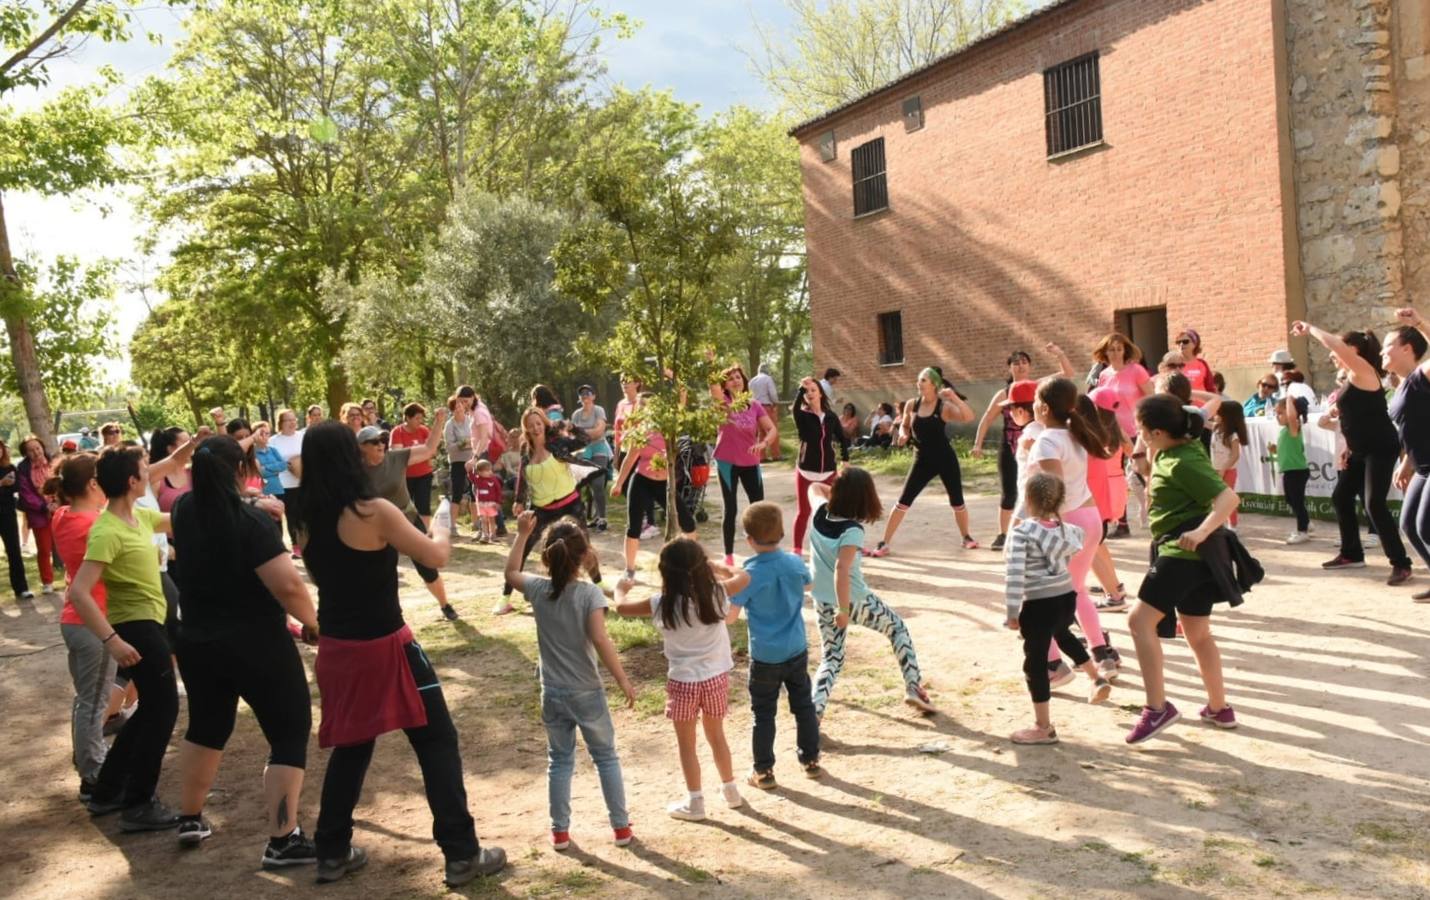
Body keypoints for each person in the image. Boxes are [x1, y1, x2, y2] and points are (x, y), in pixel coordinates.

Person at [298, 422, 505, 886]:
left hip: (337, 648)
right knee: (436, 742)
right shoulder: (374, 512)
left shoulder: (305, 517)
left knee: (352, 747)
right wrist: (446, 521)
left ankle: (330, 851)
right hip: (386, 646)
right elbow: (436, 556)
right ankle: (461, 853)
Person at [169, 436, 322, 864]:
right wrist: (313, 624)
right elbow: (288, 585)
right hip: (256, 644)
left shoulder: (183, 509)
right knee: (289, 731)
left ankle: (190, 817)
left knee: (206, 727)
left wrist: (254, 505)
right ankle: (283, 837)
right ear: (240, 470)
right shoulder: (250, 525)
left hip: (198, 641)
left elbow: (216, 512)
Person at [66, 444, 182, 831]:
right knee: (163, 709)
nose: (149, 470)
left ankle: (108, 791)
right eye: (145, 467)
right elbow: (79, 592)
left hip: (151, 622)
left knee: (152, 708)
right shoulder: (107, 529)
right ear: (133, 481)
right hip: (135, 628)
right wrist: (112, 640)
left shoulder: (139, 517)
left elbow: (178, 517)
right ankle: (138, 803)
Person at [504, 512, 635, 850]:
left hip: (553, 690)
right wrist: (622, 680)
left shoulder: (537, 588)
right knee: (605, 757)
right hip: (587, 691)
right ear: (584, 555)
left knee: (559, 761)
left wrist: (521, 535)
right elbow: (601, 640)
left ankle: (559, 832)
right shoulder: (590, 595)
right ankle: (621, 829)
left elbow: (510, 573)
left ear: (547, 556)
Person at [1126, 394, 1247, 744]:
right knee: (1197, 633)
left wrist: (1200, 530)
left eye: (1143, 430)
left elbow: (1228, 499)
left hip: (1183, 553)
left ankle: (1157, 708)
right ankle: (1219, 707)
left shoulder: (1182, 461)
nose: (1140, 436)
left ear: (1159, 432)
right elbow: (1212, 406)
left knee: (1137, 621)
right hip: (1193, 557)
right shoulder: (1180, 438)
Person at [612, 538, 743, 821]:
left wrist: (619, 590)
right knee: (716, 735)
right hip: (716, 677)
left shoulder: (661, 603)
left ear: (665, 572)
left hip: (683, 681)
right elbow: (743, 577)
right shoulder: (718, 593)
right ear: (702, 568)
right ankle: (730, 790)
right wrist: (716, 567)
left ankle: (696, 802)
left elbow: (621, 608)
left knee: (687, 744)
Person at [1290, 321, 1412, 586]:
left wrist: (1309, 328)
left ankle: (1401, 563)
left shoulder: (1363, 370)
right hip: (1360, 450)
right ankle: (1351, 553)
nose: (1332, 355)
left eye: (1339, 350)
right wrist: (1349, 445)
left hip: (1380, 447)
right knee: (1342, 496)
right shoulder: (1353, 377)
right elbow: (1355, 414)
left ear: (1352, 349)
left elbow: (1332, 343)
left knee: (1374, 504)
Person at [806, 467, 934, 717]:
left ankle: (814, 712)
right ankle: (913, 688)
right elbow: (841, 570)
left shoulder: (819, 512)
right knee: (896, 628)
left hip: (822, 600)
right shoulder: (852, 530)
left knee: (831, 658)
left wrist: (839, 492)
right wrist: (844, 610)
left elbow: (814, 487)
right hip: (854, 600)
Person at [1005, 472, 1113, 745]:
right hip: (1066, 599)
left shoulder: (1022, 534)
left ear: (1027, 501)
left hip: (1039, 604)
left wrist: (1012, 612)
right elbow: (1073, 546)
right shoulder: (1070, 531)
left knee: (1035, 663)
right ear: (1061, 502)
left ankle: (1043, 727)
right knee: (1063, 635)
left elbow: (1015, 574)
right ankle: (1096, 678)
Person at [48, 453, 130, 800]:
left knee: (86, 699)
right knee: (94, 701)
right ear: (93, 484)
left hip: (76, 621)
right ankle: (94, 773)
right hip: (92, 622)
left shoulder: (63, 516)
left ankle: (86, 758)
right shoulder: (93, 525)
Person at [1026, 378, 1118, 682]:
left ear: (1043, 406)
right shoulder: (1073, 435)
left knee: (1042, 597)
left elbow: (1054, 492)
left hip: (1066, 522)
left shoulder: (1048, 441)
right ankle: (1101, 653)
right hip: (1088, 518)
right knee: (1075, 591)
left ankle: (1053, 666)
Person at [725, 501, 821, 789]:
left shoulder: (750, 573)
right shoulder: (793, 562)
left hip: (765, 655)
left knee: (763, 713)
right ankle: (811, 759)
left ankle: (764, 771)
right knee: (804, 705)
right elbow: (808, 584)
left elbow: (731, 617)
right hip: (796, 648)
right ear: (782, 534)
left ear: (749, 540)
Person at [496, 407, 604, 615]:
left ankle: (598, 586)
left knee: (584, 547)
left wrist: (570, 426)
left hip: (569, 503)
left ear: (544, 423)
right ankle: (505, 598)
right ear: (525, 428)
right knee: (523, 548)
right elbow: (522, 475)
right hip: (541, 508)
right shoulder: (526, 450)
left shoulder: (557, 443)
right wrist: (519, 500)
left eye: (538, 423)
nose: (535, 428)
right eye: (531, 425)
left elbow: (583, 440)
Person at [354, 413, 460, 622]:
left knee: (427, 566)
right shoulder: (354, 471)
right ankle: (386, 615)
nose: (381, 444)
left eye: (383, 440)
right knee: (382, 574)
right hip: (376, 528)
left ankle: (445, 605)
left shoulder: (396, 457)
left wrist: (438, 423)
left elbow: (429, 449)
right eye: (374, 441)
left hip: (408, 519)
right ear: (361, 447)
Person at [868, 367, 978, 557]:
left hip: (945, 458)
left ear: (934, 384)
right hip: (922, 459)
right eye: (919, 380)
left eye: (923, 380)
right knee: (903, 501)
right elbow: (904, 425)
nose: (919, 383)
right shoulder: (912, 404)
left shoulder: (943, 407)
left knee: (957, 501)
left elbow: (969, 417)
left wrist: (954, 397)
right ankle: (884, 543)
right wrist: (903, 435)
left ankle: (966, 537)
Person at [611, 396, 697, 581]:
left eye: (648, 406)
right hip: (642, 480)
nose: (644, 410)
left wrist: (669, 373)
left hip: (665, 484)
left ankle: (693, 564)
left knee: (688, 523)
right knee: (633, 527)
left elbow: (682, 400)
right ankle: (630, 569)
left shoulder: (668, 427)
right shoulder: (639, 432)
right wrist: (619, 483)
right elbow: (630, 459)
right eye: (641, 406)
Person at [710, 363, 777, 567]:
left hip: (750, 461)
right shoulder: (723, 403)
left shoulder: (754, 405)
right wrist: (712, 363)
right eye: (730, 378)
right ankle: (729, 556)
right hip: (727, 461)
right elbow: (713, 387)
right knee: (731, 509)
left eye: (738, 377)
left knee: (759, 508)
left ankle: (764, 550)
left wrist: (764, 443)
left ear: (744, 381)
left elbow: (771, 429)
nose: (735, 381)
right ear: (725, 385)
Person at [1387, 310, 1430, 601]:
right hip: (1422, 465)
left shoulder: (1420, 376)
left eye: (1386, 345)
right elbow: (1411, 427)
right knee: (1408, 527)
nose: (1381, 351)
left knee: (1425, 527)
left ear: (1406, 349)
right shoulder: (1401, 385)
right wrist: (1406, 463)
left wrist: (1418, 323)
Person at [790, 377, 850, 556]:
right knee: (804, 512)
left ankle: (835, 547)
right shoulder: (801, 415)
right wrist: (802, 388)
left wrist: (845, 459)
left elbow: (842, 438)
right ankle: (797, 551)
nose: (809, 393)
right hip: (806, 471)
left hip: (828, 472)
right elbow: (794, 407)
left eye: (813, 390)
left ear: (821, 394)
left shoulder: (831, 417)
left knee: (833, 510)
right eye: (806, 392)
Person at [16, 435, 56, 594]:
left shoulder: (53, 461)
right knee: (44, 549)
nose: (36, 452)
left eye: (38, 448)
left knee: (67, 544)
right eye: (31, 450)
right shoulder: (23, 469)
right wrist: (45, 507)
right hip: (39, 513)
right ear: (26, 454)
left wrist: (57, 502)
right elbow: (26, 494)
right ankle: (47, 582)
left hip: (59, 508)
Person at [570, 385, 611, 532]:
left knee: (598, 484)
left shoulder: (599, 410)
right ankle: (579, 518)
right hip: (582, 450)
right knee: (578, 486)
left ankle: (602, 518)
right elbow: (572, 434)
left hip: (599, 448)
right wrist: (589, 432)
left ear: (593, 396)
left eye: (588, 393)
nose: (585, 396)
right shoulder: (576, 414)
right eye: (581, 394)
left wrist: (581, 432)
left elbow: (600, 432)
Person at [389, 403, 435, 530]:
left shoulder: (424, 430)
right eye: (417, 418)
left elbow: (432, 451)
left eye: (421, 418)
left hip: (424, 474)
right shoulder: (397, 432)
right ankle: (407, 532)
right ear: (408, 418)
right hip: (405, 477)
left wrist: (414, 454)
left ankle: (425, 533)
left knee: (423, 505)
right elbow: (399, 456)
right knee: (406, 507)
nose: (420, 421)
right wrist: (421, 453)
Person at [269, 409, 306, 555]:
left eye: (294, 419)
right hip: (283, 483)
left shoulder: (303, 436)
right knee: (288, 514)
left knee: (301, 514)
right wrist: (285, 465)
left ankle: (304, 542)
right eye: (288, 420)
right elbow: (270, 462)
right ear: (280, 423)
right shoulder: (273, 441)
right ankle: (294, 545)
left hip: (302, 481)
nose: (292, 422)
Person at [0, 438, 32, 599]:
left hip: (7, 513)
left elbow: (16, 487)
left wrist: (9, 483)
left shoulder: (9, 467)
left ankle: (21, 588)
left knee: (14, 551)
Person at [1210, 403, 1247, 528]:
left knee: (1227, 498)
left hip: (1228, 471)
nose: (1215, 415)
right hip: (1215, 469)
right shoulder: (1216, 429)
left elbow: (1235, 455)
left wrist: (1224, 469)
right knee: (1215, 498)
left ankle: (1232, 525)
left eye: (1218, 412)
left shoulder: (1232, 435)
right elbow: (1203, 421)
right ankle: (1219, 524)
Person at [444, 395, 475, 533]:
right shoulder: (449, 425)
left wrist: (466, 443)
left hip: (472, 460)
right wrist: (465, 443)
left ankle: (476, 523)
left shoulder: (471, 420)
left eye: (460, 405)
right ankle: (452, 526)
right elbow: (450, 446)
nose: (458, 408)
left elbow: (476, 439)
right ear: (451, 410)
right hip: (457, 462)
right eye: (455, 407)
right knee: (456, 492)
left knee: (475, 492)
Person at [748, 363, 782, 461]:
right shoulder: (768, 379)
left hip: (754, 408)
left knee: (760, 432)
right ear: (767, 370)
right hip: (766, 407)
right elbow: (773, 393)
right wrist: (775, 403)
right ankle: (776, 455)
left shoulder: (751, 381)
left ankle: (762, 456)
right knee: (773, 430)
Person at [469, 459, 503, 544]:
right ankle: (485, 535)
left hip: (491, 504)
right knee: (483, 520)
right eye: (487, 471)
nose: (490, 472)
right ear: (479, 472)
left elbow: (498, 491)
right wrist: (472, 467)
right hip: (481, 504)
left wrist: (498, 502)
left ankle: (493, 535)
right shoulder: (477, 479)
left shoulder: (494, 479)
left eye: (490, 470)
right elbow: (471, 476)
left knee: (492, 520)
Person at [1174, 328, 1215, 393]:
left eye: (1185, 341)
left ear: (1195, 344)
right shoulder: (1173, 364)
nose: (1181, 344)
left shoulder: (1202, 364)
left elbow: (1210, 388)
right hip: (1181, 402)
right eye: (1178, 342)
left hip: (1203, 403)